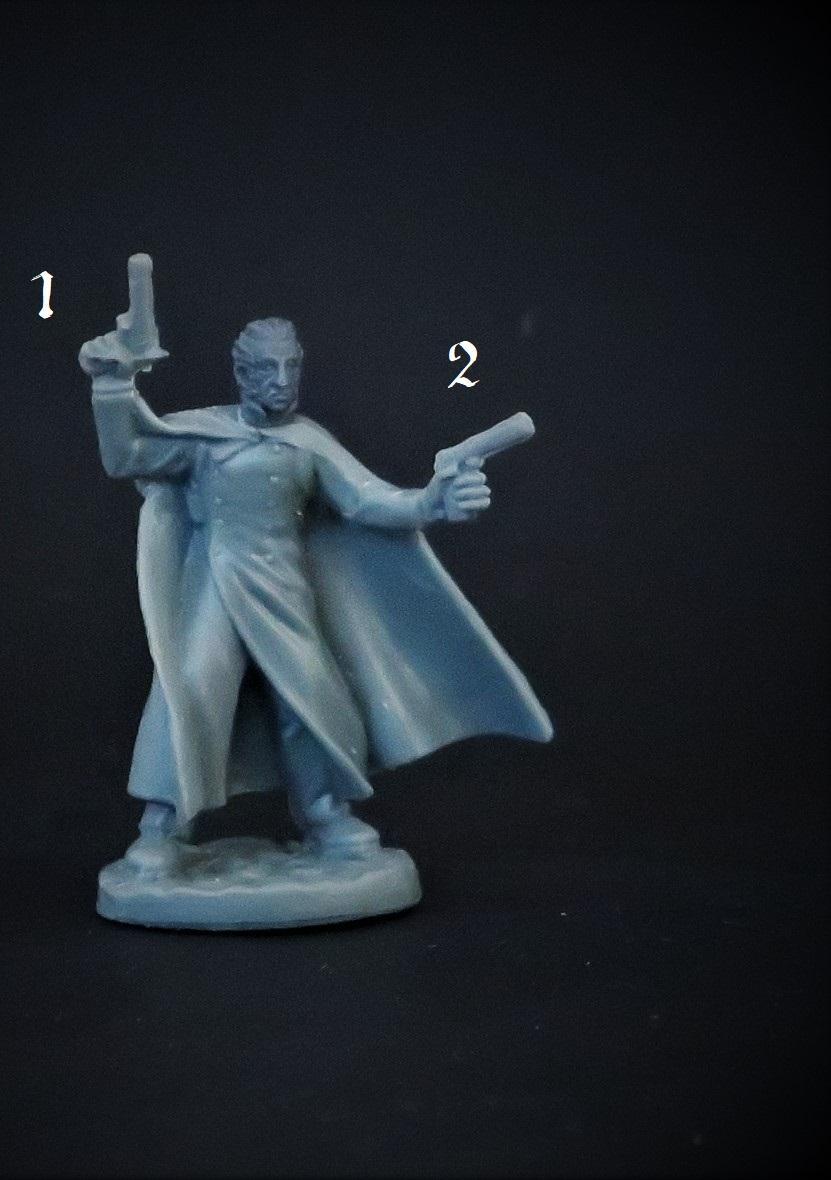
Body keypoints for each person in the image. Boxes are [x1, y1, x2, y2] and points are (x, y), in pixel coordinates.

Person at [80, 263, 551, 877]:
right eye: (266, 370)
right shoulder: (202, 436)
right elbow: (126, 456)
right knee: (191, 690)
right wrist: (113, 384)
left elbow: (370, 501)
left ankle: (325, 812)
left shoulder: (309, 443)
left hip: (284, 588)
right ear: (242, 374)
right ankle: (164, 825)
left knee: (309, 696)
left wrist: (434, 502)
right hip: (214, 585)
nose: (281, 382)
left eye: (290, 367)